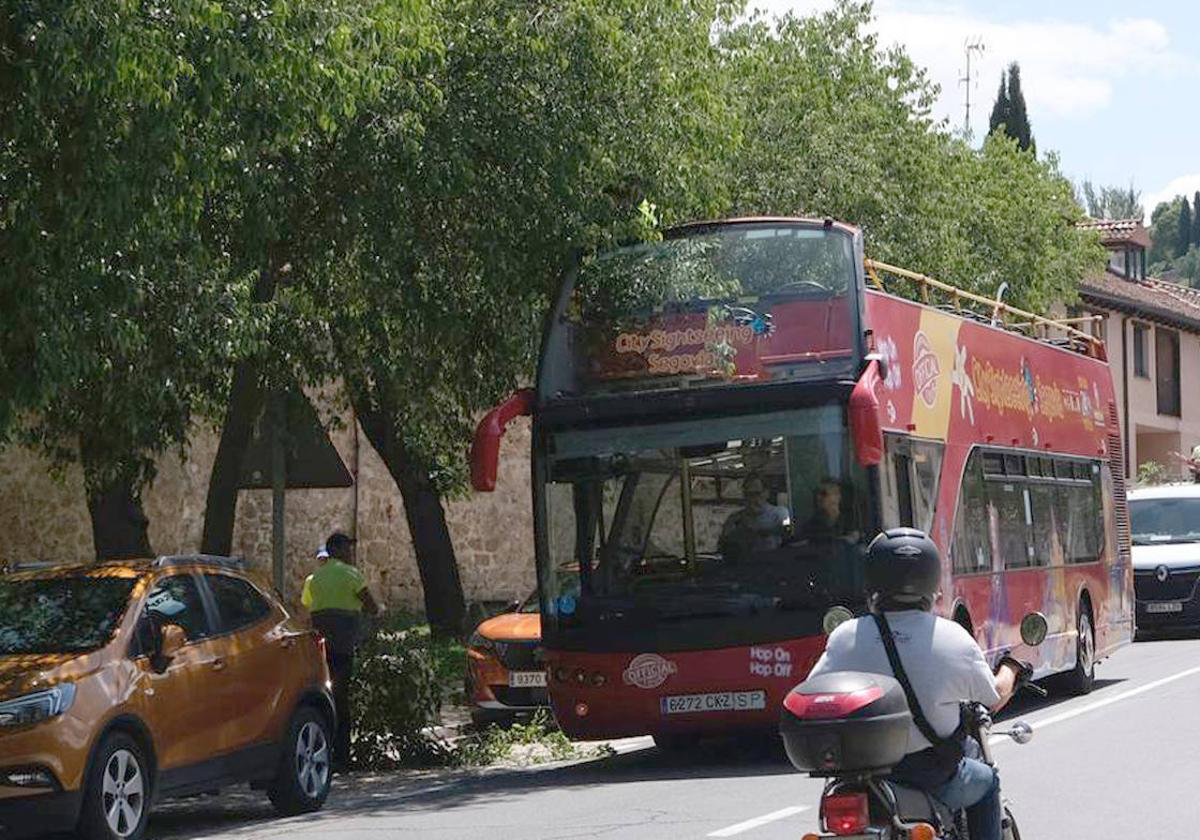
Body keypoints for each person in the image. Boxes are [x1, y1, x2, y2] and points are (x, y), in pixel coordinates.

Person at [806, 528, 1021, 840]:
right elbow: (992, 696)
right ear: (932, 580)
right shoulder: (951, 637)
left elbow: (813, 695)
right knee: (987, 781)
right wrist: (1011, 669)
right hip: (931, 775)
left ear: (872, 579)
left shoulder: (846, 636)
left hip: (860, 779)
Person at [301, 531, 381, 771]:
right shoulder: (351, 574)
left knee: (323, 696)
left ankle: (322, 751)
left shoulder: (313, 579)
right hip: (344, 646)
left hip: (320, 648)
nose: (349, 552)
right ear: (336, 550)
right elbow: (371, 606)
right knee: (341, 699)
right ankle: (343, 757)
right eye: (346, 548)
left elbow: (307, 605)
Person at [719, 475, 790, 556]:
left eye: (757, 494)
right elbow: (723, 546)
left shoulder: (781, 514)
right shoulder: (735, 519)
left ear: (766, 493)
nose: (753, 499)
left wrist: (767, 532)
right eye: (748, 495)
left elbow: (789, 536)